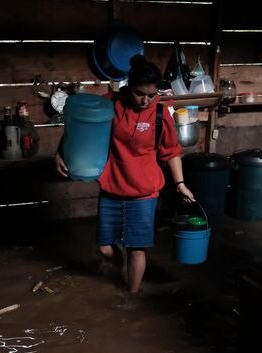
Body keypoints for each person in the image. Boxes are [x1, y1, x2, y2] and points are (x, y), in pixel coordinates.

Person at [55, 55, 195, 294]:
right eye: (140, 93)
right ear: (129, 88)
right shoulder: (110, 103)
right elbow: (81, 126)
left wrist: (180, 183)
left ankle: (132, 296)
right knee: (104, 248)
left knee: (136, 249)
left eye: (152, 94)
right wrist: (60, 153)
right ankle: (122, 268)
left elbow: (171, 151)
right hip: (112, 187)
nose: (146, 100)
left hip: (144, 191)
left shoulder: (160, 114)